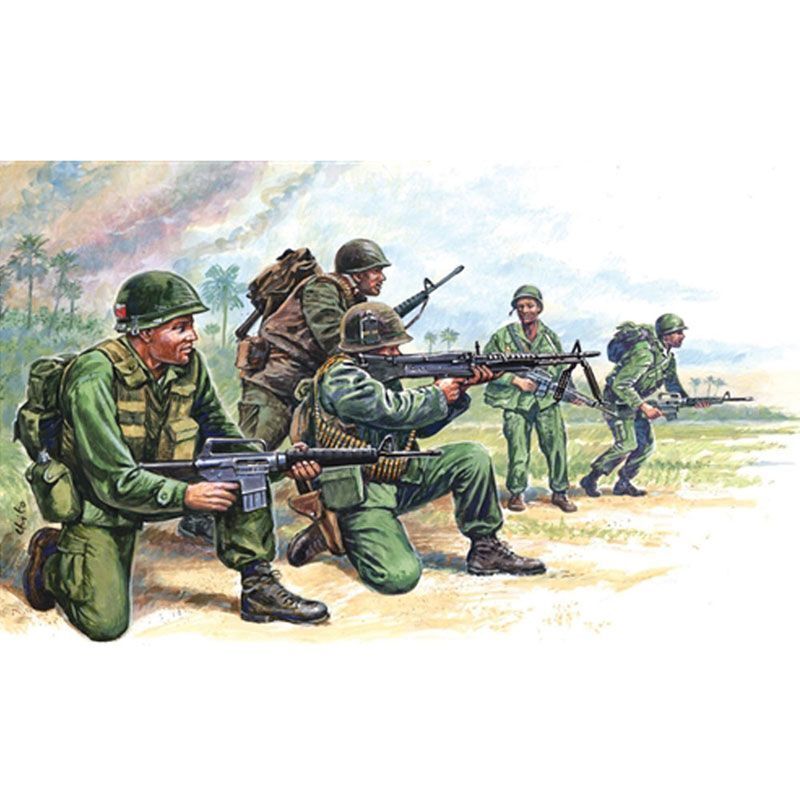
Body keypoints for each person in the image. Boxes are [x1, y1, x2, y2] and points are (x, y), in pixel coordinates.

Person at [21, 270, 328, 641]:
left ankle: (258, 586)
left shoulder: (189, 367)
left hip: (162, 485)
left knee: (244, 468)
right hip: (103, 501)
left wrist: (280, 464)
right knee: (105, 624)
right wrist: (186, 495)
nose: (192, 336)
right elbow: (112, 479)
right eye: (180, 327)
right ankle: (53, 563)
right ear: (144, 332)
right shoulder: (93, 376)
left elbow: (225, 438)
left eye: (191, 325)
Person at [286, 302, 546, 593]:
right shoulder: (341, 377)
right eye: (390, 347)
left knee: (472, 457)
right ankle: (333, 528)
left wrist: (457, 393)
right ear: (365, 348)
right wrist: (437, 394)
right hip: (361, 492)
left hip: (400, 474)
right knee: (399, 576)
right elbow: (391, 410)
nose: (397, 353)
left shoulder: (377, 374)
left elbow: (415, 428)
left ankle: (486, 549)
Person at [238, 238, 391, 449]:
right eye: (377, 271)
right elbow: (333, 339)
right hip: (274, 386)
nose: (382, 277)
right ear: (358, 274)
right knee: (249, 452)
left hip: (302, 390)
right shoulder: (322, 288)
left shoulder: (350, 298)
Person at [580, 313, 699, 497]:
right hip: (617, 402)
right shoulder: (645, 354)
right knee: (627, 444)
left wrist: (693, 402)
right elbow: (621, 385)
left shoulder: (668, 359)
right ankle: (591, 478)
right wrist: (645, 407)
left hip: (635, 402)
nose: (682, 336)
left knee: (645, 445)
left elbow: (673, 386)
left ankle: (624, 483)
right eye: (678, 332)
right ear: (666, 335)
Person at [483, 285, 578, 513]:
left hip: (545, 402)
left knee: (556, 446)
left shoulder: (550, 337)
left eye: (530, 305)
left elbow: (562, 369)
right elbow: (485, 366)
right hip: (516, 402)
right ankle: (516, 493)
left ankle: (559, 492)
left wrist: (570, 393)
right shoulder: (503, 337)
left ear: (539, 308)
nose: (525, 310)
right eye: (520, 306)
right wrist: (515, 380)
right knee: (518, 449)